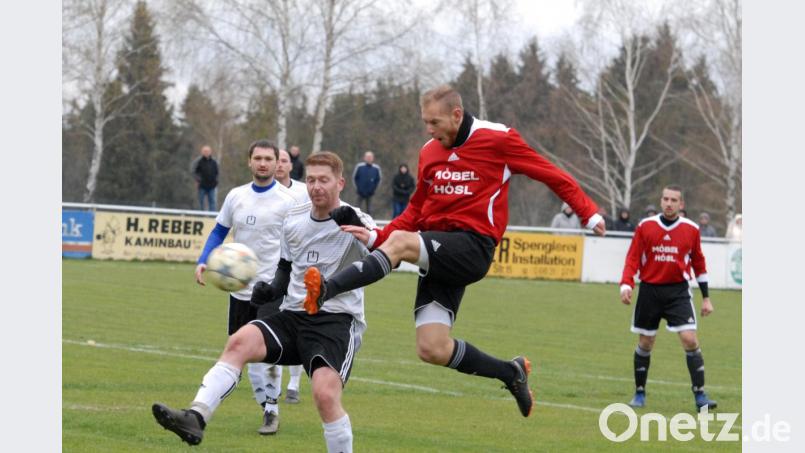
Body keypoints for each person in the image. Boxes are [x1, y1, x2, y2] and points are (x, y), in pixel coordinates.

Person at [302, 85, 606, 418]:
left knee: (403, 243)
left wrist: (588, 212)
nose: (429, 131)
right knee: (431, 348)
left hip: (473, 246)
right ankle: (510, 372)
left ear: (456, 115)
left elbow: (551, 174)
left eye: (434, 123)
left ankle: (327, 289)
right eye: (425, 123)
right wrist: (378, 236)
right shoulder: (430, 151)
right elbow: (417, 207)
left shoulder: (498, 139)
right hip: (438, 252)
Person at [153, 151, 373, 453]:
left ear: (340, 183)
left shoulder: (356, 220)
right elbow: (285, 269)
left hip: (335, 321)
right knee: (239, 342)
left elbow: (380, 259)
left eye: (324, 180)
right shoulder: (294, 218)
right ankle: (196, 416)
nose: (316, 186)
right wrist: (270, 291)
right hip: (293, 316)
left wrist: (364, 237)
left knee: (324, 395)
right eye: (311, 179)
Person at [192, 139, 299, 435]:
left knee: (266, 352)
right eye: (258, 158)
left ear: (277, 163)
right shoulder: (236, 196)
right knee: (240, 350)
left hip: (273, 289)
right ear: (249, 162)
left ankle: (271, 409)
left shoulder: (288, 202)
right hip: (239, 288)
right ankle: (264, 405)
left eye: (269, 159)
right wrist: (204, 260)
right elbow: (219, 231)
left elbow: (300, 241)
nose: (264, 163)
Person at [619, 185, 717, 410]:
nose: (669, 203)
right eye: (665, 199)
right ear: (661, 201)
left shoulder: (691, 229)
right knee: (645, 342)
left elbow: (699, 264)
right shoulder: (646, 227)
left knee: (690, 339)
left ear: (681, 204)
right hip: (650, 290)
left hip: (678, 292)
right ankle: (640, 393)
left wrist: (706, 298)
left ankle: (700, 396)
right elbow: (632, 258)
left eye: (674, 200)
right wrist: (626, 284)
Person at [192, 145, 219, 211]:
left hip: (212, 186)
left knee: (212, 202)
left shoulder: (214, 162)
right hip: (202, 186)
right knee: (200, 202)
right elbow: (193, 171)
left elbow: (217, 172)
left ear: (210, 152)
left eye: (207, 151)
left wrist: (216, 181)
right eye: (205, 151)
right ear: (202, 152)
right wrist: (198, 180)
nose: (206, 152)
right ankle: (200, 216)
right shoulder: (198, 161)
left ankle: (212, 216)